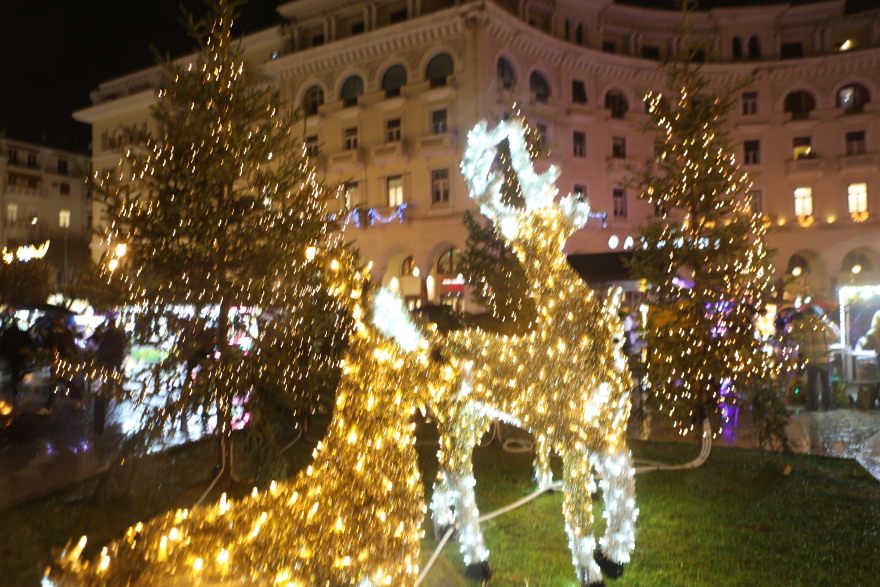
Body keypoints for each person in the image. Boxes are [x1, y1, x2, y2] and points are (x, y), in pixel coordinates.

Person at [789, 305, 839, 411]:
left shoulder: (803, 324)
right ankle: (827, 405)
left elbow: (796, 338)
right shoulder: (824, 323)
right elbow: (835, 336)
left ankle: (813, 405)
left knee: (812, 383)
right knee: (826, 382)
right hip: (824, 357)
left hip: (810, 358)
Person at [90, 316, 127, 435]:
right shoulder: (108, 334)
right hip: (109, 359)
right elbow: (101, 345)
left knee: (114, 374)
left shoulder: (117, 334)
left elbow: (120, 345)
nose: (111, 326)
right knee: (110, 375)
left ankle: (114, 388)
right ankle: (111, 388)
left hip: (114, 358)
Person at [0, 320, 36, 400]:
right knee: (18, 369)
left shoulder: (6, 333)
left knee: (15, 369)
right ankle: (15, 387)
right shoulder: (22, 333)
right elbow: (30, 342)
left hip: (9, 354)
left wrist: (2, 353)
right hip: (19, 355)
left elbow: (2, 343)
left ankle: (14, 384)